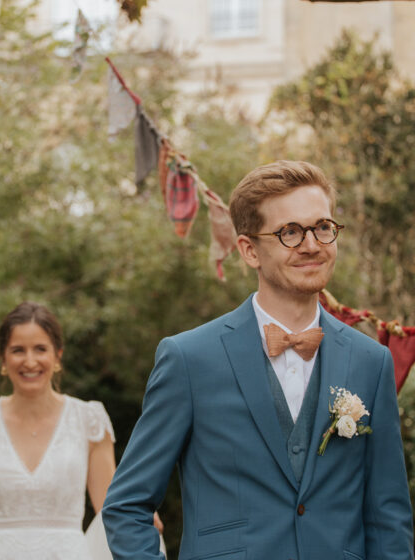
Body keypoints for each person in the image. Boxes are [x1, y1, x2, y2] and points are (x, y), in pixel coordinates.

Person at [102, 161, 413, 560]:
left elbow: (388, 518)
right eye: (290, 232)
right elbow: (127, 506)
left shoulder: (373, 360)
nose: (312, 244)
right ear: (249, 250)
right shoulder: (189, 359)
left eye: (322, 227)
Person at [0, 302, 117, 559]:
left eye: (40, 349)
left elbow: (110, 511)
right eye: (18, 350)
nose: (30, 361)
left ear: (57, 356)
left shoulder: (89, 420)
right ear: (3, 358)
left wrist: (139, 521)